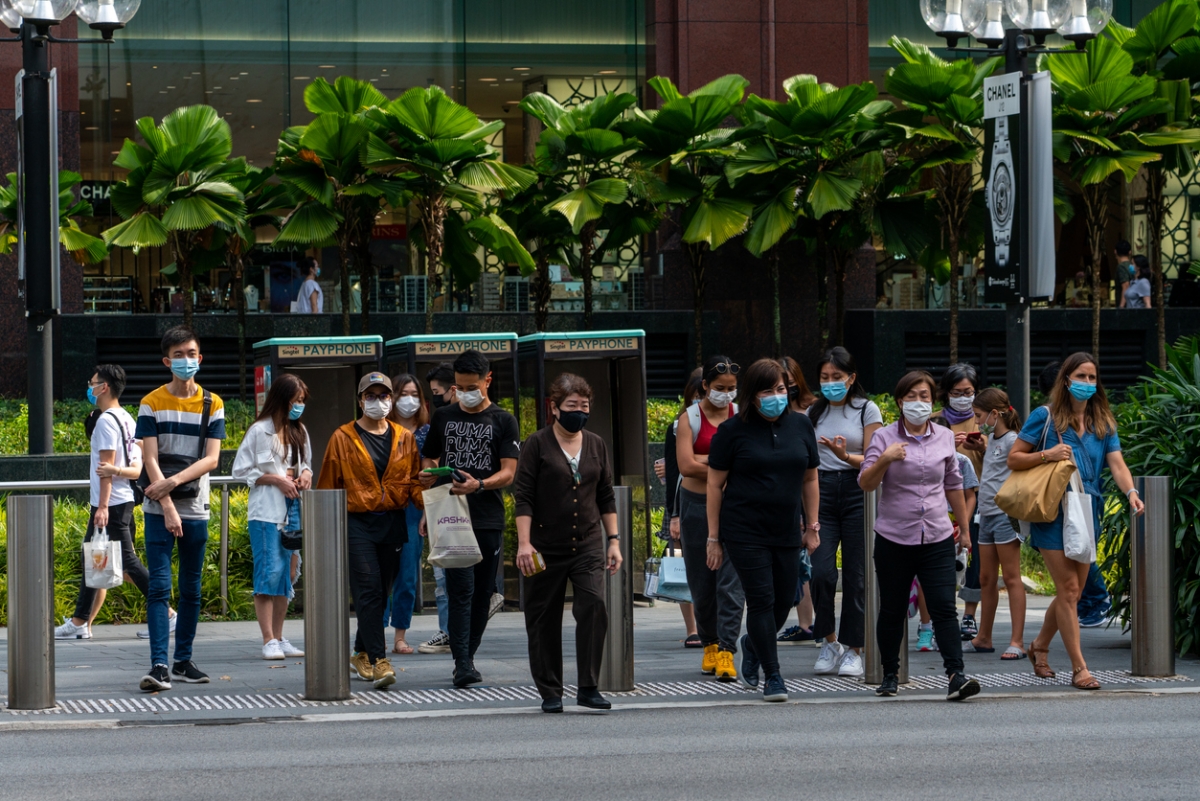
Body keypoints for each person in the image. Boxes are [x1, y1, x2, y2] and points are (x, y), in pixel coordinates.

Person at [1008, 353, 1144, 689]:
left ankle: (1039, 646)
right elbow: (1014, 458)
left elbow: (1117, 464)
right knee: (1069, 590)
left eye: (1092, 377)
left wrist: (1130, 492)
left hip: (1087, 510)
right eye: (1080, 376)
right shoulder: (1045, 416)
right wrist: (1048, 454)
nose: (1087, 383)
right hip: (1052, 510)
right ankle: (1080, 668)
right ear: (1066, 380)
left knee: (1074, 591)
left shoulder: (1103, 422)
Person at [859, 370, 980, 701]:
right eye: (911, 396)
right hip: (894, 536)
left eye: (924, 396)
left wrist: (964, 529)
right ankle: (890, 674)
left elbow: (953, 483)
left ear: (933, 400)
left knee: (944, 608)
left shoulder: (944, 436)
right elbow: (866, 483)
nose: (918, 402)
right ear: (900, 402)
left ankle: (956, 676)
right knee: (893, 608)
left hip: (937, 535)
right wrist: (885, 459)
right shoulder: (883, 437)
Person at [705, 359, 819, 702]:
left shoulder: (801, 425)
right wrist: (714, 538)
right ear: (752, 395)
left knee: (784, 600)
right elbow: (714, 485)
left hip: (787, 529)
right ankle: (773, 675)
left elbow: (810, 478)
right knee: (761, 600)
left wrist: (813, 526)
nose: (776, 397)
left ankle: (752, 644)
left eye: (781, 389)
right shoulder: (732, 431)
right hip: (744, 530)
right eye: (767, 391)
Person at [515, 373, 622, 713]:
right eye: (572, 405)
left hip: (588, 542)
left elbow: (605, 495)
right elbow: (523, 497)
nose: (579, 411)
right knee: (543, 617)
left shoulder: (596, 444)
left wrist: (614, 540)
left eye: (584, 406)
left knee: (594, 605)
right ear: (554, 407)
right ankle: (550, 691)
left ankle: (588, 686)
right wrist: (524, 544)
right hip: (544, 545)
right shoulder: (536, 444)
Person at [421, 350, 520, 688]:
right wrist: (430, 476)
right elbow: (430, 457)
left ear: (487, 381)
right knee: (460, 590)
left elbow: (509, 472)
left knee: (482, 594)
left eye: (471, 387)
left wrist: (479, 484)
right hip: (451, 516)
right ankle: (462, 663)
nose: (464, 393)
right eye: (458, 387)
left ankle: (468, 655)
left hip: (487, 516)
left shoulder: (503, 420)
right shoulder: (444, 416)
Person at [318, 372, 423, 690]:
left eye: (384, 395)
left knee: (381, 591)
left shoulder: (404, 437)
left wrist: (431, 508)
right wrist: (324, 531)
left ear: (391, 399)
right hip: (357, 521)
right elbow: (327, 485)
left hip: (392, 521)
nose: (379, 401)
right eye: (371, 396)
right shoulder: (343, 437)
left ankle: (360, 651)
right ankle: (379, 661)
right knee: (368, 591)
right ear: (360, 400)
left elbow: (414, 481)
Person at [136, 327, 225, 692]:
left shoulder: (212, 403)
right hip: (159, 510)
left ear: (199, 358)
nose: (186, 360)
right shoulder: (151, 402)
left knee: (191, 588)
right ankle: (159, 665)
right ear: (166, 361)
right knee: (159, 587)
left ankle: (183, 660)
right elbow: (150, 458)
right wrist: (168, 505)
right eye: (178, 354)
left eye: (191, 353)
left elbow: (212, 459)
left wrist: (171, 484)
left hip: (196, 506)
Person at [55, 365, 160, 640]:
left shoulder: (104, 422)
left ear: (104, 387)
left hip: (110, 503)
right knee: (93, 556)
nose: (89, 388)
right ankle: (80, 621)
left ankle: (167, 613)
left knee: (127, 562)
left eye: (92, 383)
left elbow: (106, 468)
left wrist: (101, 507)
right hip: (121, 500)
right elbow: (133, 464)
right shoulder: (126, 418)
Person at [805, 347, 882, 677]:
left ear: (851, 378)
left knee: (856, 575)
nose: (830, 383)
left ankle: (854, 648)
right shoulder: (813, 411)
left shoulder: (866, 409)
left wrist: (844, 455)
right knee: (821, 571)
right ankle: (829, 640)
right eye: (825, 377)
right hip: (820, 490)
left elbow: (874, 459)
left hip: (857, 489)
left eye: (837, 377)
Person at [231, 373, 311, 661]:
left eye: (302, 401)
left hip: (294, 509)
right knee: (269, 572)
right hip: (266, 512)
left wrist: (305, 474)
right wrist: (276, 480)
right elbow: (240, 470)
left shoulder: (299, 430)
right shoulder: (258, 430)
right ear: (282, 399)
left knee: (288, 573)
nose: (299, 406)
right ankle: (268, 639)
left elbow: (307, 464)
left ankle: (279, 636)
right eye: (295, 400)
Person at [676, 355, 746, 682]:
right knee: (702, 581)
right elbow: (686, 466)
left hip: (734, 506)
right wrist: (723, 464)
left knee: (731, 583)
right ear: (705, 385)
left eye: (732, 388)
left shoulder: (741, 415)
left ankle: (727, 649)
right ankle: (710, 643)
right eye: (720, 387)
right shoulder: (689, 419)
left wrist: (707, 460)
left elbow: (746, 459)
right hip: (696, 506)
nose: (726, 394)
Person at [967, 388, 1026, 660]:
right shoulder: (993, 438)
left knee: (1011, 577)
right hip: (986, 513)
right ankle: (984, 637)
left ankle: (1017, 641)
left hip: (1005, 514)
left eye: (979, 415)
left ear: (994, 413)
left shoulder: (1014, 439)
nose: (977, 421)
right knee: (986, 578)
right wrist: (981, 448)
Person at [932, 362, 985, 642]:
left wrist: (983, 447)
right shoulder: (934, 420)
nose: (963, 397)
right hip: (937, 503)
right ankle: (938, 618)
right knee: (939, 564)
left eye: (968, 392)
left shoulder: (983, 419)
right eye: (957, 392)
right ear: (946, 392)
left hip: (976, 499)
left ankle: (969, 615)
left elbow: (1005, 458)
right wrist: (945, 445)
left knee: (972, 561)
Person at [384, 373, 431, 655]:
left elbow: (429, 475)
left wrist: (426, 511)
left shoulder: (428, 432)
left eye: (414, 394)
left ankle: (400, 636)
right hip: (382, 506)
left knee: (408, 575)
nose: (409, 400)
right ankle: (374, 633)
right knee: (379, 574)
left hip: (414, 508)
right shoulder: (381, 429)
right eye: (403, 394)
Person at [417, 362, 458, 655]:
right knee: (443, 573)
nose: (435, 399)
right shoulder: (441, 420)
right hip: (442, 499)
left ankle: (454, 631)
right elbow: (430, 462)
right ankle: (448, 631)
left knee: (450, 572)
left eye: (436, 392)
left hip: (460, 501)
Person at [660, 370, 703, 647]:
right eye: (696, 396)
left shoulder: (729, 422)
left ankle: (714, 623)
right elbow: (674, 470)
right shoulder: (678, 426)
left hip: (718, 500)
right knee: (685, 565)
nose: (701, 401)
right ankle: (692, 629)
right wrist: (674, 514)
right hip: (682, 501)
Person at [777, 356, 817, 644]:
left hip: (813, 484)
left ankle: (816, 623)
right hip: (785, 491)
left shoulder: (811, 411)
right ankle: (806, 624)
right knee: (799, 562)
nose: (785, 391)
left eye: (789, 384)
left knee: (814, 561)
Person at [1114, 239, 1133, 307]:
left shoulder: (1121, 267)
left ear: (1115, 251)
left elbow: (1125, 286)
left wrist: (1121, 307)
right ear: (1130, 252)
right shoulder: (1132, 266)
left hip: (1126, 306)